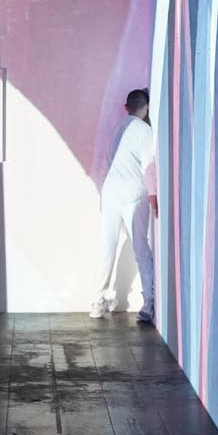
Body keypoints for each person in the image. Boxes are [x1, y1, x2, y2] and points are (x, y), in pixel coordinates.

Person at [91, 88, 158, 323]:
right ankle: (149, 303)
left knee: (106, 249)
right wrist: (153, 194)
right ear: (146, 108)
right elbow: (149, 165)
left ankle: (98, 303)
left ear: (126, 107)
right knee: (141, 249)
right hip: (133, 194)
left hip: (110, 193)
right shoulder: (145, 130)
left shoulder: (118, 127)